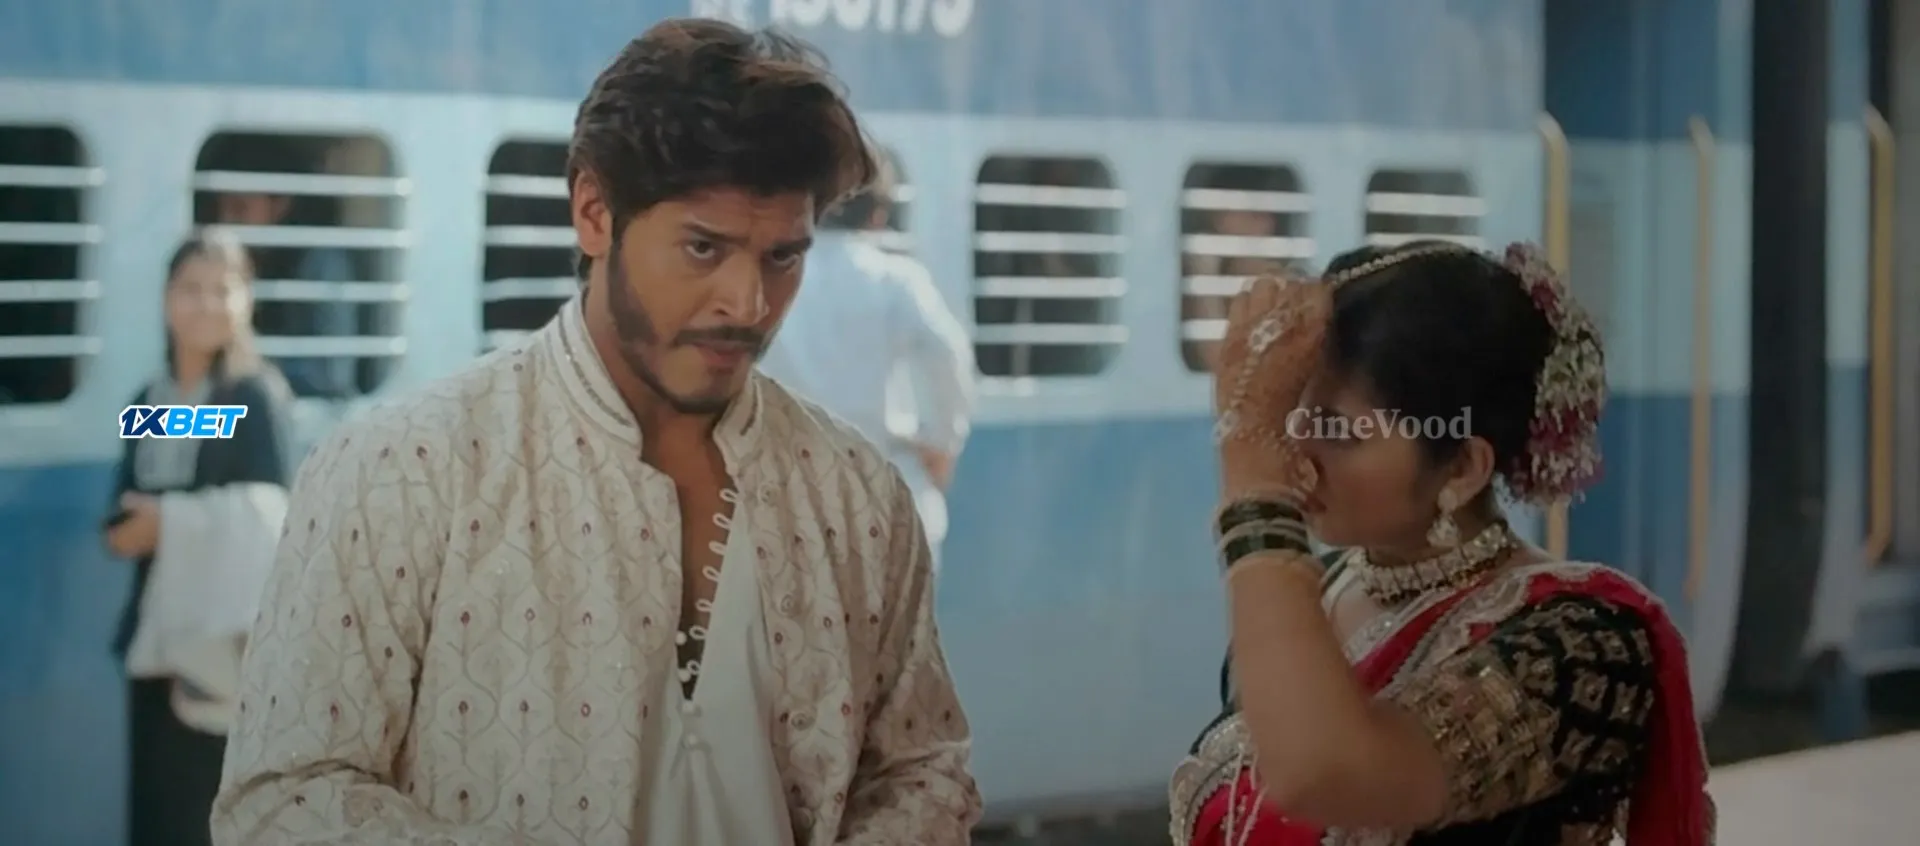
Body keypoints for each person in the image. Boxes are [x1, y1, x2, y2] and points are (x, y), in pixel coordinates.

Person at [210, 19, 981, 846]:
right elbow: (280, 803)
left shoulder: (856, 497)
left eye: (782, 258)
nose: (748, 302)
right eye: (703, 248)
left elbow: (924, 771)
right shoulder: (397, 470)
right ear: (593, 213)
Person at [1168, 241, 1714, 845]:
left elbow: (1325, 774)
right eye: (1294, 417)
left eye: (1337, 431)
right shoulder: (1317, 591)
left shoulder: (1578, 645)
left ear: (1461, 468)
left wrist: (1255, 485)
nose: (1296, 458)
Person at [106, 233, 292, 846]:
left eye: (222, 289)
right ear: (166, 299)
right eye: (190, 288)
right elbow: (127, 497)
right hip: (155, 643)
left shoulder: (253, 397)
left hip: (219, 656)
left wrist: (171, 523)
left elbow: (270, 513)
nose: (206, 304)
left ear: (246, 299)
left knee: (204, 814)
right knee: (154, 813)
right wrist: (129, 528)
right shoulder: (150, 402)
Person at [758, 163, 975, 569]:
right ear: (878, 216)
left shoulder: (768, 280)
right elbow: (948, 353)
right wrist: (942, 443)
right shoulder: (897, 280)